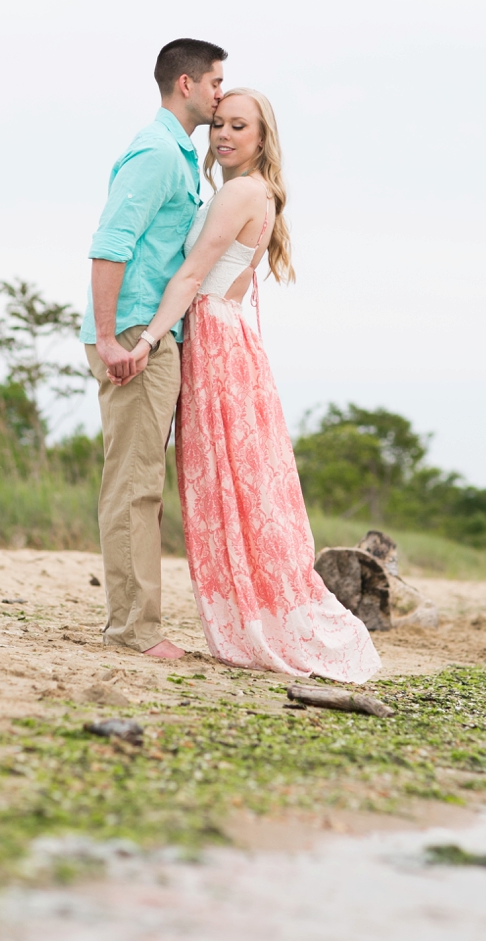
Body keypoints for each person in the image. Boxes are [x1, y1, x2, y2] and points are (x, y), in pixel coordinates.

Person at [116, 89, 381, 682]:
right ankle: (251, 611)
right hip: (226, 336)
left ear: (263, 138)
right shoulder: (252, 192)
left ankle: (257, 618)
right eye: (219, 125)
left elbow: (191, 274)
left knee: (231, 483)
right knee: (238, 482)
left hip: (213, 335)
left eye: (240, 126)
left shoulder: (241, 191)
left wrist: (148, 338)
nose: (224, 135)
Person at [81, 38, 227, 658]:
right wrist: (113, 338)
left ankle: (138, 623)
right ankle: (134, 632)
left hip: (152, 334)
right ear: (187, 85)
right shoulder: (156, 154)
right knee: (134, 483)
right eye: (217, 82)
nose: (223, 93)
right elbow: (111, 243)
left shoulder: (180, 156)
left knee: (146, 484)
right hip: (135, 337)